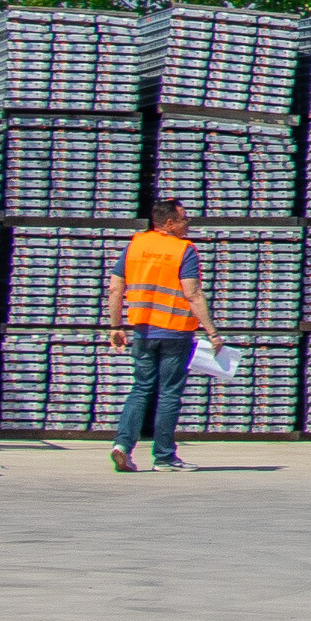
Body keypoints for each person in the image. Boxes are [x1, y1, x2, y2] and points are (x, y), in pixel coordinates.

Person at [105, 196, 214, 473]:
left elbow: (115, 288)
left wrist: (115, 327)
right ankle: (164, 457)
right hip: (175, 332)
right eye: (183, 218)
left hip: (142, 331)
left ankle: (122, 445)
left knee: (141, 388)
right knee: (169, 395)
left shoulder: (135, 245)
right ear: (169, 223)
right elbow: (193, 293)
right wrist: (212, 332)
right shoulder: (184, 250)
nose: (188, 223)